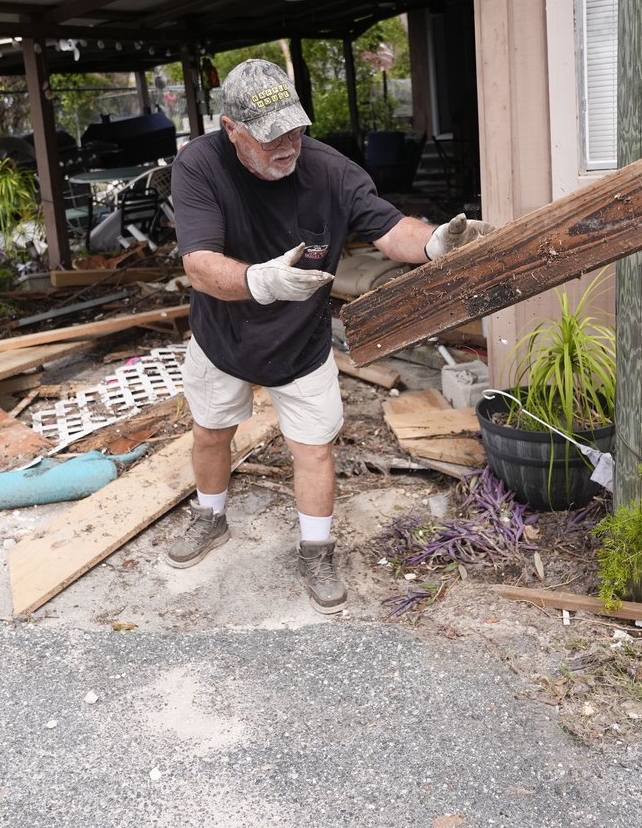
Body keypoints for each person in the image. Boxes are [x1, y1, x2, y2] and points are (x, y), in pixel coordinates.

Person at [169, 58, 491, 614]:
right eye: (271, 138)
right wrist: (260, 279)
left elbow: (392, 231)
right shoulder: (199, 165)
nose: (287, 145)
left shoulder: (329, 170)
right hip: (223, 335)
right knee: (211, 433)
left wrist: (435, 242)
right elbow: (198, 265)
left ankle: (316, 549)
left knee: (312, 449)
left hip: (302, 344)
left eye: (294, 129)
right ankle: (210, 515)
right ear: (231, 131)